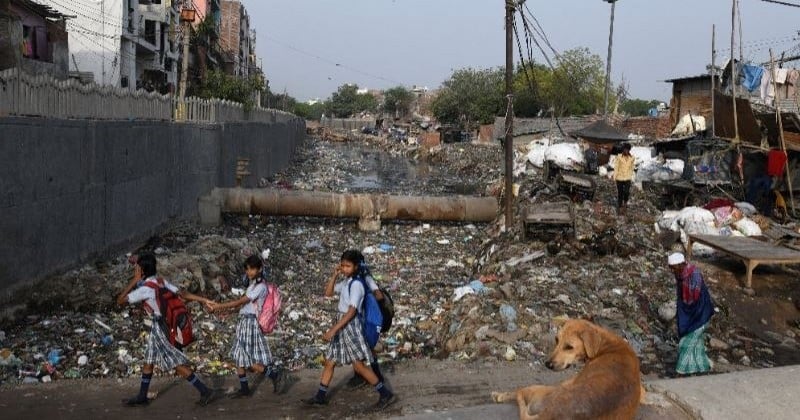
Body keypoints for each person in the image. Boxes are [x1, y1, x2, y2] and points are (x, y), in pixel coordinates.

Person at [115, 252, 215, 407]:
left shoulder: (145, 289)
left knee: (174, 364)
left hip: (161, 328)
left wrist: (134, 281)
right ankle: (142, 396)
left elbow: (120, 301)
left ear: (141, 271)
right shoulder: (160, 282)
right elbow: (182, 294)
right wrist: (203, 300)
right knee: (149, 360)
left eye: (137, 268)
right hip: (163, 325)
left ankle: (204, 390)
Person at [303, 250, 396, 409]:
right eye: (343, 265)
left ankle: (385, 394)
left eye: (348, 266)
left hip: (350, 325)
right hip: (341, 323)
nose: (344, 269)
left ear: (356, 266)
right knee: (330, 362)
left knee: (359, 365)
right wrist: (334, 275)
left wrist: (333, 330)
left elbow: (352, 311)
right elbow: (328, 293)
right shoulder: (347, 282)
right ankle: (320, 396)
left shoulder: (358, 284)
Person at [207, 255, 287, 398]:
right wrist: (224, 311)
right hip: (244, 321)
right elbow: (243, 306)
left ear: (259, 269)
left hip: (250, 323)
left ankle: (274, 375)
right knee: (239, 357)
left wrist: (219, 306)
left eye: (252, 269)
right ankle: (245, 389)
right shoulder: (253, 285)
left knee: (246, 359)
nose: (249, 272)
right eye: (247, 269)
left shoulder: (260, 287)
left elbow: (241, 301)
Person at [667, 252, 715, 376]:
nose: (673, 271)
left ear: (680, 265)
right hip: (688, 314)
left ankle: (680, 370)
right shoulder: (680, 275)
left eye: (674, 268)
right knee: (697, 346)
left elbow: (693, 298)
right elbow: (682, 299)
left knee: (685, 344)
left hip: (700, 314)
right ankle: (702, 367)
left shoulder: (694, 274)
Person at [345, 256, 387, 389]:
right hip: (364, 319)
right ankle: (372, 375)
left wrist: (368, 299)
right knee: (365, 348)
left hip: (365, 319)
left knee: (362, 348)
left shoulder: (365, 279)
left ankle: (370, 377)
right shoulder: (358, 278)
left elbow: (378, 295)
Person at [613, 143, 635, 215]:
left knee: (626, 192)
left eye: (627, 150)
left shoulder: (632, 158)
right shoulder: (619, 157)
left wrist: (632, 175)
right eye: (625, 149)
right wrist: (614, 177)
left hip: (627, 178)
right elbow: (616, 167)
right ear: (623, 150)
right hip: (619, 177)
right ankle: (620, 207)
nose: (626, 151)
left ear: (629, 150)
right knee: (620, 193)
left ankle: (625, 203)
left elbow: (632, 167)